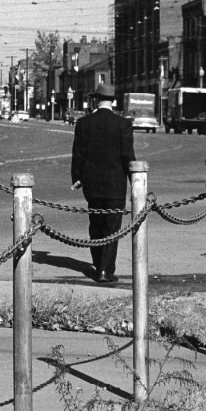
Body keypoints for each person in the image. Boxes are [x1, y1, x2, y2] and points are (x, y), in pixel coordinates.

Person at [70, 82, 135, 283]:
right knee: (112, 229)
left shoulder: (83, 123)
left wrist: (77, 178)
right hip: (115, 186)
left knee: (96, 227)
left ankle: (98, 264)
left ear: (95, 100)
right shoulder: (122, 124)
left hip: (93, 186)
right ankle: (105, 270)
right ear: (113, 101)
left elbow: (78, 155)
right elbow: (127, 156)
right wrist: (135, 182)